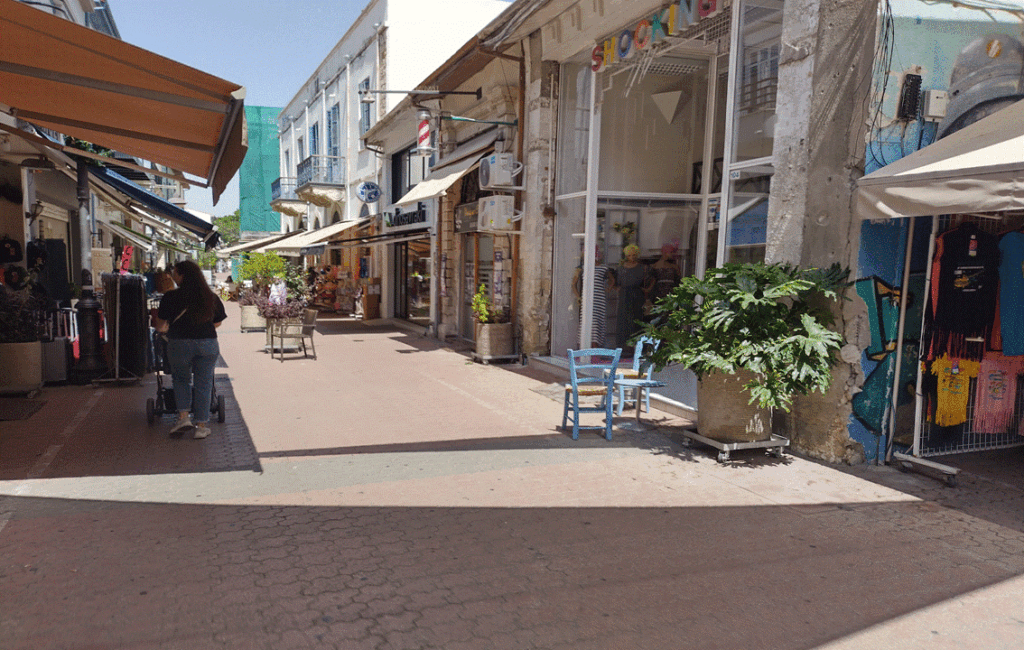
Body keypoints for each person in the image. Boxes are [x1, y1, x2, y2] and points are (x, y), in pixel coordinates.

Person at [157, 259, 227, 439]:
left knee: (181, 379)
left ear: (182, 276)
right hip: (207, 344)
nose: (172, 276)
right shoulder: (210, 297)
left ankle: (183, 418)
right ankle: (201, 426)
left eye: (175, 273)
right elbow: (217, 321)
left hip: (179, 343)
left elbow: (161, 322)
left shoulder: (170, 297)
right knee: (204, 383)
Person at [609, 244, 651, 352]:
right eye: (629, 255)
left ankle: (637, 347)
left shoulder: (642, 268)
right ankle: (623, 347)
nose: (631, 257)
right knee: (623, 320)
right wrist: (616, 288)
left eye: (633, 255)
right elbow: (614, 281)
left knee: (636, 320)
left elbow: (650, 281)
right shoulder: (621, 268)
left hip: (637, 294)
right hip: (624, 295)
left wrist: (647, 293)